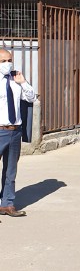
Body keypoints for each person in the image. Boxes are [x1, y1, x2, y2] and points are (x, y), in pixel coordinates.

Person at [0, 48, 35, 218]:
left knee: (10, 170)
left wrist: (23, 82)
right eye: (3, 61)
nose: (8, 64)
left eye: (9, 60)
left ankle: (7, 204)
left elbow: (30, 98)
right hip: (0, 130)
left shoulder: (16, 79)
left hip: (15, 131)